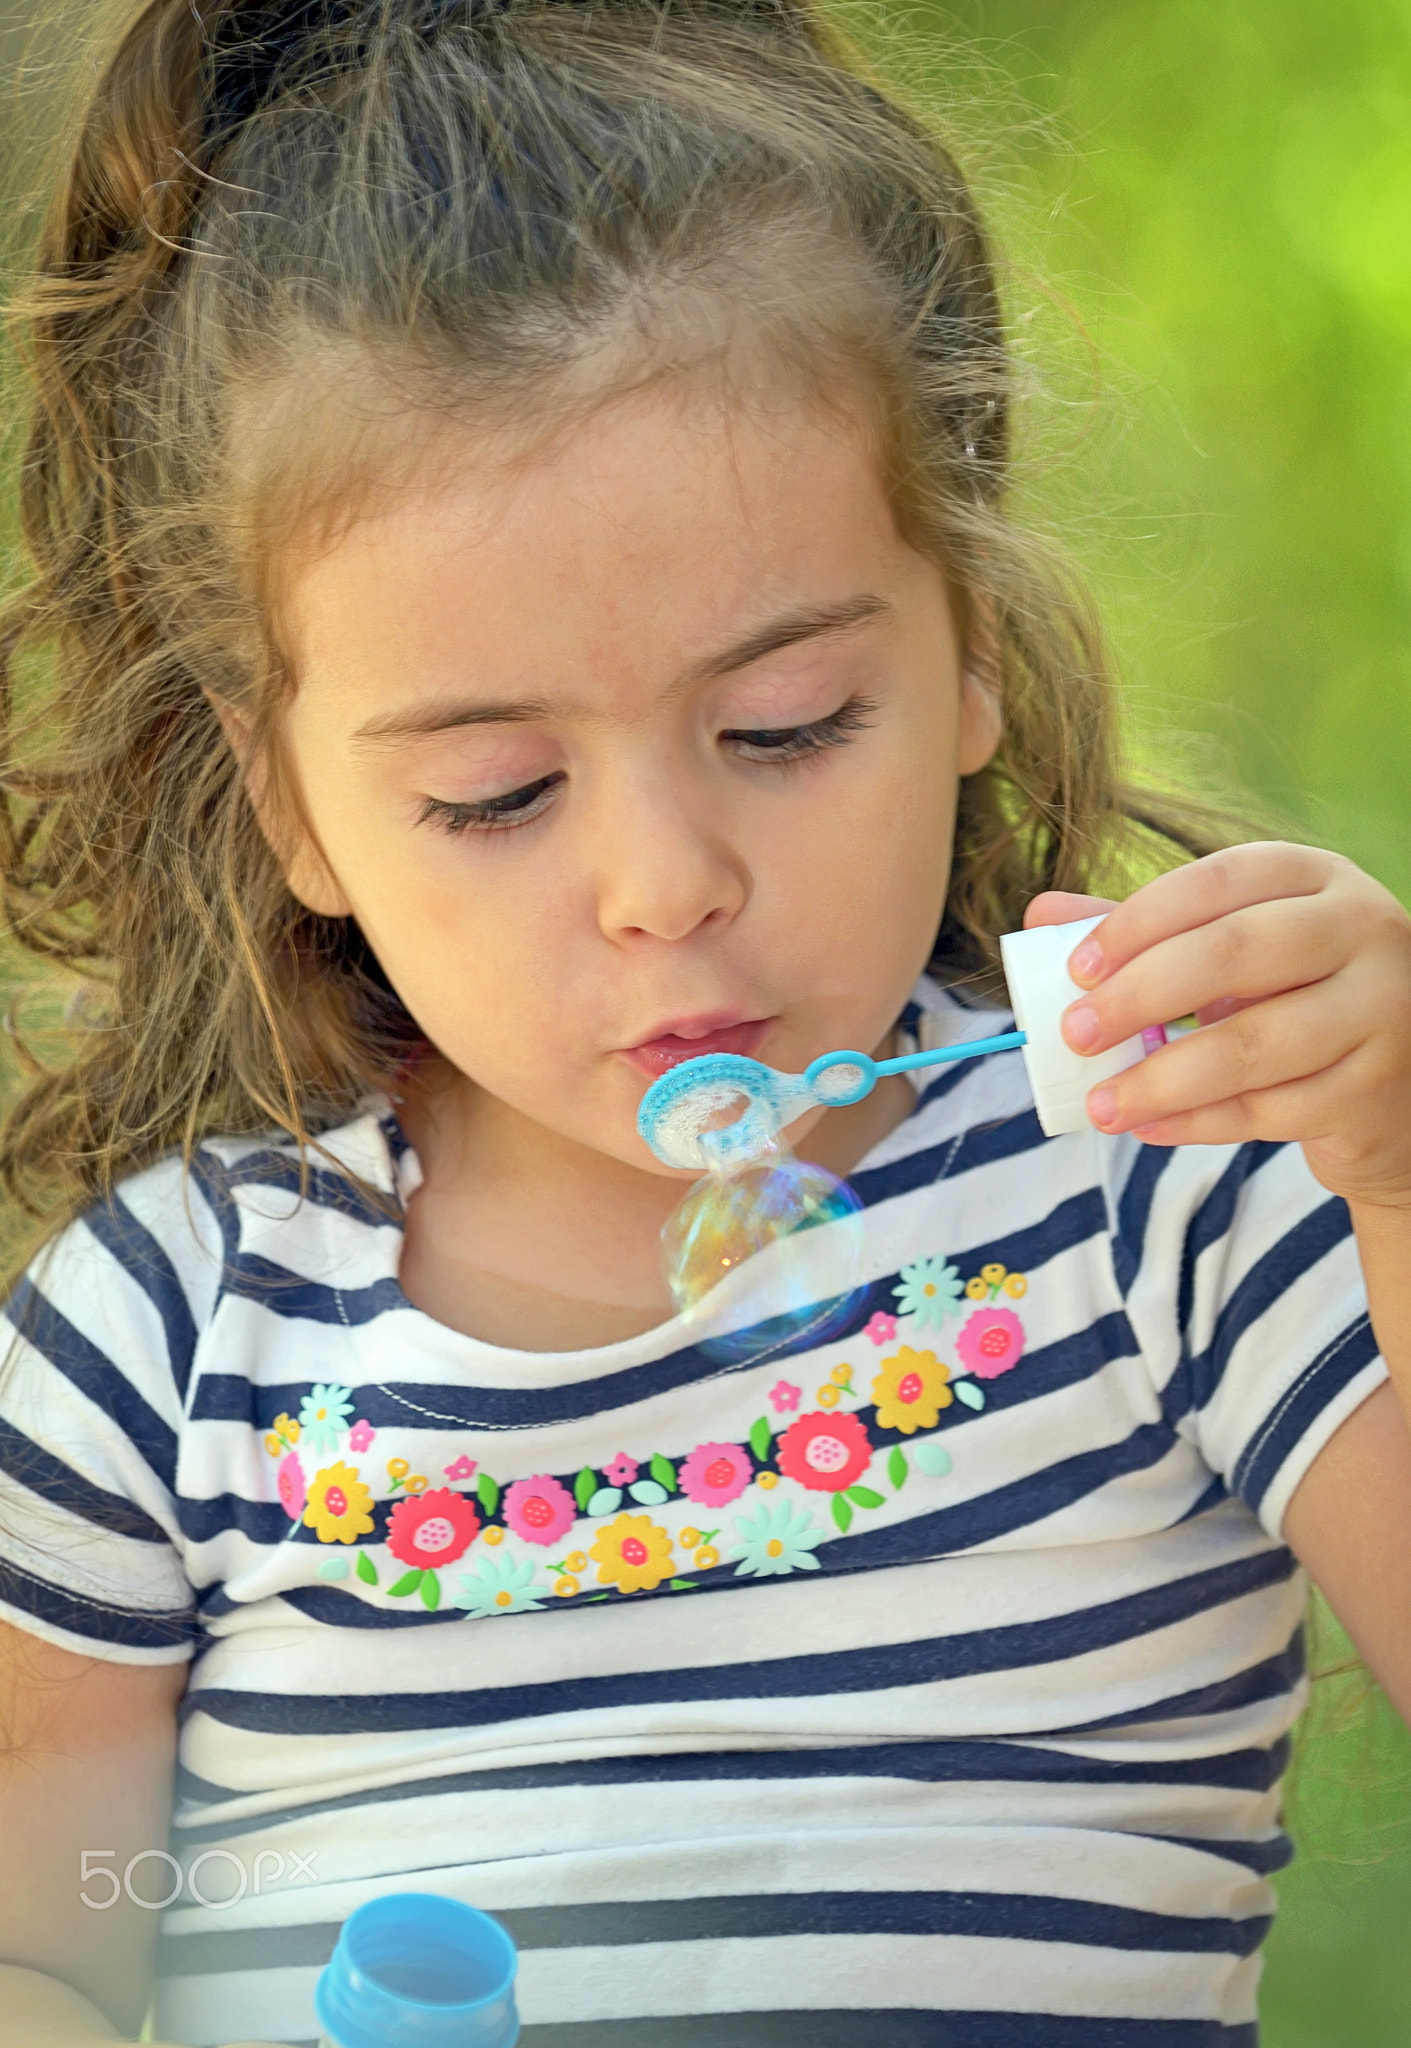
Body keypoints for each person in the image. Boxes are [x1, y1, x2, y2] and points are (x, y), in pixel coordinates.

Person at [0, 1, 1408, 2043]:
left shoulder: (1161, 1178)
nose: (662, 881)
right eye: (495, 790)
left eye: (781, 726)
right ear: (292, 799)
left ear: (969, 652)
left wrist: (1394, 1170)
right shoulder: (167, 1339)